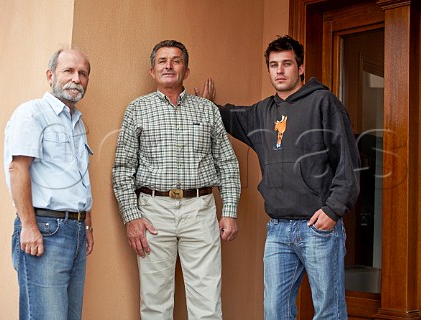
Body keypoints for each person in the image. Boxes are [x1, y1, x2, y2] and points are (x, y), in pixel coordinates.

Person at [197, 35, 360, 319]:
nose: (280, 70)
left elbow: (349, 162)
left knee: (328, 312)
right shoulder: (263, 112)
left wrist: (333, 210)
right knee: (275, 311)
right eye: (274, 65)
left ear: (300, 67)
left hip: (318, 228)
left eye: (287, 63)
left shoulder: (324, 102)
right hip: (278, 230)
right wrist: (209, 106)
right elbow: (233, 116)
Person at [112, 40, 241, 320]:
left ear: (186, 70)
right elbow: (122, 168)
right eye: (162, 61)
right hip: (153, 212)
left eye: (176, 60)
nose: (168, 65)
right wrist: (131, 217)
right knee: (155, 303)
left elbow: (228, 163)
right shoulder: (137, 109)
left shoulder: (207, 110)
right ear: (152, 71)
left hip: (200, 209)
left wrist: (229, 211)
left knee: (207, 301)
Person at [4, 49, 94, 320]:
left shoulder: (77, 122)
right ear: (50, 75)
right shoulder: (32, 113)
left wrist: (86, 223)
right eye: (68, 71)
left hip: (75, 230)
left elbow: (78, 178)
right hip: (45, 230)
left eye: (83, 74)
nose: (76, 79)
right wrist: (29, 226)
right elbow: (18, 169)